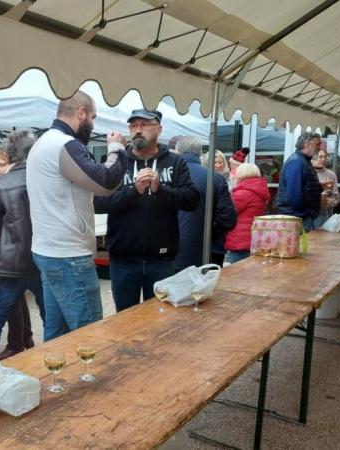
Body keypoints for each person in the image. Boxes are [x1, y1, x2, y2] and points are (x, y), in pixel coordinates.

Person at [27, 91, 128, 341]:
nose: (92, 125)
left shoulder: (42, 143)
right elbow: (105, 182)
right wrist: (116, 149)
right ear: (80, 113)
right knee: (89, 335)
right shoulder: (65, 144)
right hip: (69, 255)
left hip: (48, 250)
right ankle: (90, 380)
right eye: (92, 117)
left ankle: (55, 379)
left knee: (57, 333)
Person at [94, 109, 199, 312]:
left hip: (162, 260)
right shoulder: (116, 162)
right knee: (125, 320)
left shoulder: (175, 162)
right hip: (123, 260)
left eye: (144, 125)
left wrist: (160, 190)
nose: (137, 131)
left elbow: (192, 200)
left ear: (159, 129)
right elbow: (98, 203)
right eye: (133, 126)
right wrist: (134, 191)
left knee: (161, 320)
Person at [0, 130, 44, 363]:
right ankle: (53, 362)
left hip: (12, 262)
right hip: (41, 259)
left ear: (11, 154)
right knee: (50, 316)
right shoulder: (44, 177)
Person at [174, 137, 236, 270]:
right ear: (199, 153)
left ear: (178, 152)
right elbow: (228, 219)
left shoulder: (167, 175)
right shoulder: (215, 178)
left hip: (169, 252)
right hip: (206, 251)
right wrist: (211, 235)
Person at [276, 132, 323, 231]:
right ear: (307, 145)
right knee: (301, 246)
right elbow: (294, 194)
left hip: (300, 217)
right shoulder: (297, 162)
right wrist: (303, 215)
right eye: (317, 144)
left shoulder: (302, 161)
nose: (320, 148)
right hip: (298, 219)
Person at [225, 163, 270, 264]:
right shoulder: (258, 189)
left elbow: (229, 211)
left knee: (236, 272)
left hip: (240, 238)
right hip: (252, 236)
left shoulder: (243, 193)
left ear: (241, 174)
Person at [311, 147, 340, 228]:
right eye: (320, 157)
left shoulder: (331, 174)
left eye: (325, 157)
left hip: (323, 214)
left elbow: (335, 197)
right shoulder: (307, 172)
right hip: (307, 213)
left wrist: (329, 201)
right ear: (312, 158)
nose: (323, 159)